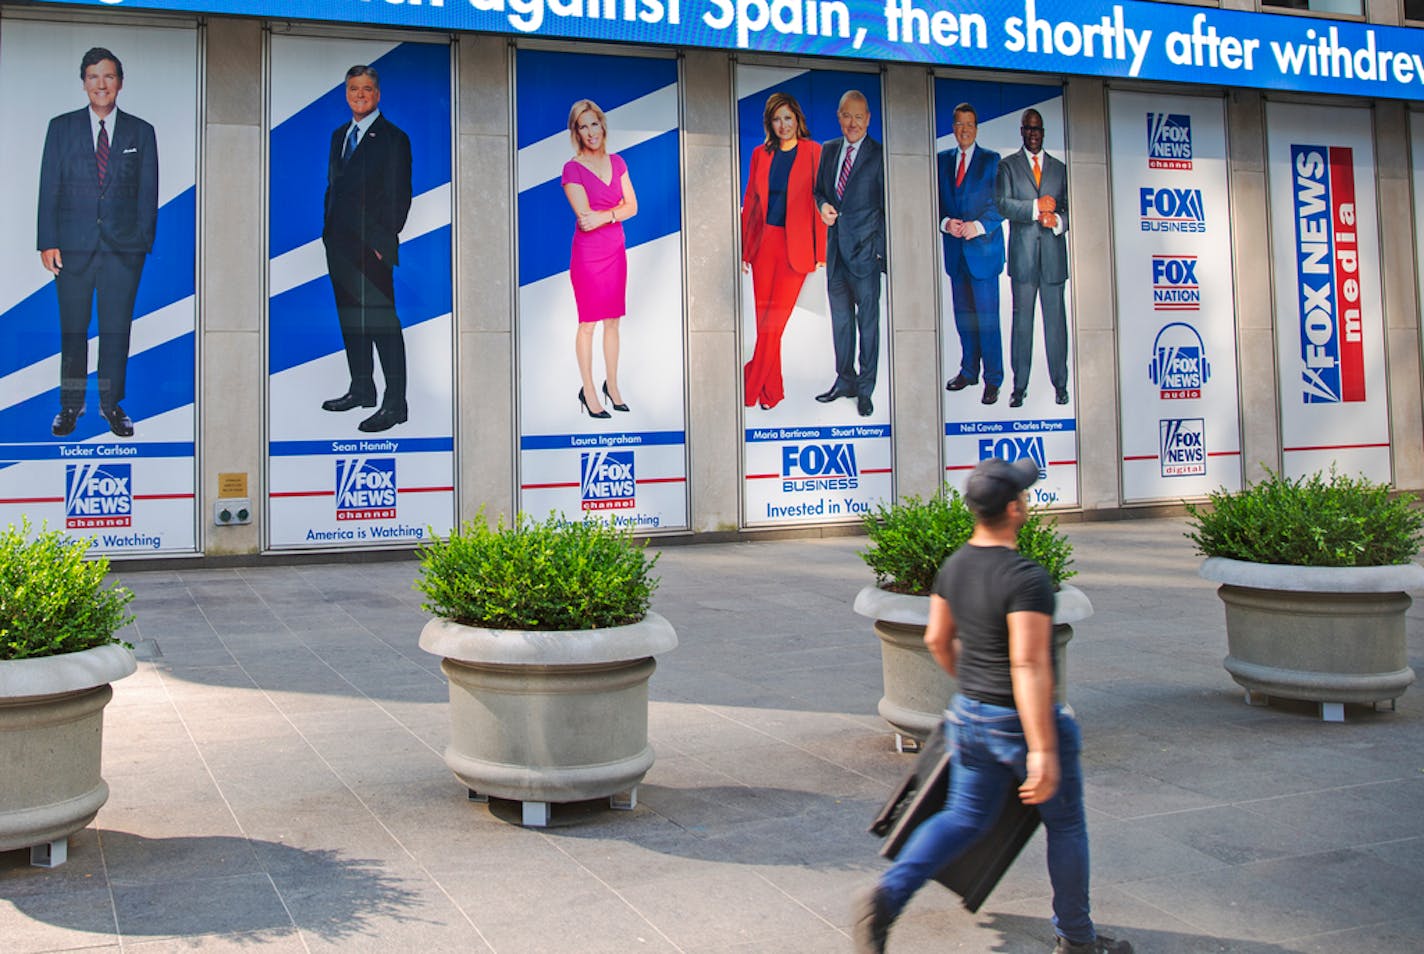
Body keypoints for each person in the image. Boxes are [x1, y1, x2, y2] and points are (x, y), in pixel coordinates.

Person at [854, 457, 1131, 954]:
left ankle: (886, 898)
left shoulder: (955, 565)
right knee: (1065, 824)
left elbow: (939, 638)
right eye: (1024, 497)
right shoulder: (1026, 578)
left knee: (963, 818)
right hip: (1021, 723)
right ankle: (1077, 939)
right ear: (1014, 508)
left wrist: (975, 687)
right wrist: (1042, 749)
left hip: (969, 716)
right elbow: (1027, 665)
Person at [38, 46, 158, 439]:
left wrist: (141, 242)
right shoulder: (62, 127)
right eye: (93, 76)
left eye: (108, 76)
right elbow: (49, 186)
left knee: (115, 330)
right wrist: (47, 241)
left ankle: (111, 405)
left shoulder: (141, 131)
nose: (101, 84)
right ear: (84, 83)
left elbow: (147, 192)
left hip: (123, 251)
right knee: (73, 330)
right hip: (72, 248)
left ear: (119, 82)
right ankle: (71, 407)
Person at [320, 64, 412, 434]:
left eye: (367, 89)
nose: (360, 95)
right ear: (347, 93)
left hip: (370, 247)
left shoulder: (393, 138)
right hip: (338, 243)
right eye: (354, 89)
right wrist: (327, 231)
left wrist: (382, 241)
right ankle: (362, 387)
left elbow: (400, 194)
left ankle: (396, 402)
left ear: (378, 94)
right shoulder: (339, 135)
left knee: (381, 323)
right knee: (351, 320)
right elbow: (335, 188)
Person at [741, 91, 825, 411]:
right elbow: (751, 201)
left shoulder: (814, 151)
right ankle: (772, 392)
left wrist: (822, 251)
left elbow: (820, 201)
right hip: (765, 244)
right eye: (777, 119)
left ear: (797, 119)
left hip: (798, 247)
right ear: (770, 123)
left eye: (788, 118)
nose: (783, 125)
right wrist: (744, 250)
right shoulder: (760, 154)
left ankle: (751, 385)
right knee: (765, 322)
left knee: (775, 323)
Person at [562, 99, 637, 419]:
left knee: (613, 321)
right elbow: (584, 218)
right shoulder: (572, 168)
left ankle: (613, 385)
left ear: (602, 125)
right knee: (588, 323)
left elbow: (633, 207)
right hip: (589, 256)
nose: (590, 131)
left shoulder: (618, 163)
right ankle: (588, 389)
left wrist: (607, 215)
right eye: (583, 126)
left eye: (594, 123)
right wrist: (616, 212)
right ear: (576, 132)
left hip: (615, 251)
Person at [813, 90, 885, 418]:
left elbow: (888, 207)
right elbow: (819, 191)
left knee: (867, 324)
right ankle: (845, 380)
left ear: (868, 119)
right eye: (846, 115)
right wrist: (823, 206)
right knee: (841, 322)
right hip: (836, 253)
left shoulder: (881, 155)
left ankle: (866, 389)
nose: (852, 122)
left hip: (865, 254)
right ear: (839, 117)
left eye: (859, 116)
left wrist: (879, 254)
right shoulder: (828, 150)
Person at [995, 107, 1070, 409]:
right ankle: (1018, 387)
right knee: (1022, 325)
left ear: (1043, 133)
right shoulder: (1008, 167)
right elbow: (1002, 205)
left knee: (1056, 326)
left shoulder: (1060, 168)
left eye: (1038, 129)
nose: (1034, 134)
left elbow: (1067, 208)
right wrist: (1036, 208)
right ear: (1022, 132)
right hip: (1023, 261)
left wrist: (1058, 222)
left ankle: (1061, 385)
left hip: (1053, 260)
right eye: (1029, 129)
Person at [938, 102, 1006, 406]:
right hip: (956, 255)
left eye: (969, 125)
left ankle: (993, 380)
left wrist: (976, 227)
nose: (964, 130)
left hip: (984, 255)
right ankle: (969, 371)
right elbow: (935, 202)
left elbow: (1001, 205)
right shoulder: (941, 161)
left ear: (976, 128)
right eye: (959, 124)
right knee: (964, 319)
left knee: (988, 321)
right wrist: (946, 223)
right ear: (953, 128)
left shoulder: (992, 161)